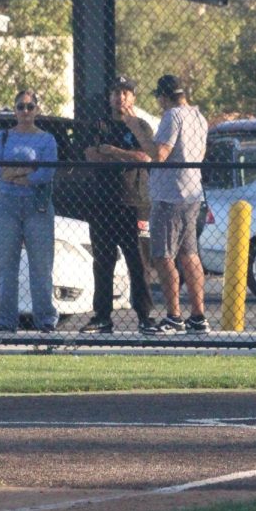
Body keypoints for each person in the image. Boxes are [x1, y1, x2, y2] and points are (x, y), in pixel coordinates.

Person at [131, 74, 210, 334]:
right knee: (190, 255)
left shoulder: (172, 116)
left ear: (164, 97)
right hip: (192, 193)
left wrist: (136, 129)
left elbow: (159, 155)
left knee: (163, 256)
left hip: (170, 196)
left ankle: (174, 316)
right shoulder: (199, 117)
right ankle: (198, 317)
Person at [79, 77, 159, 335]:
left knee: (138, 262)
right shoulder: (98, 125)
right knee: (103, 262)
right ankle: (102, 317)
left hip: (134, 204)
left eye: (125, 93)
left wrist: (112, 151)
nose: (120, 97)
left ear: (133, 97)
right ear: (109, 97)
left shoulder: (141, 126)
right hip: (102, 203)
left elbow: (145, 157)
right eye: (116, 92)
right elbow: (91, 155)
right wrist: (123, 155)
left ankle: (145, 317)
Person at [0, 89, 59, 333]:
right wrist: (26, 171)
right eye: (21, 107)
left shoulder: (46, 139)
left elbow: (46, 173)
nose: (25, 111)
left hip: (36, 206)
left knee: (41, 267)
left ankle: (45, 320)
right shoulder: (3, 137)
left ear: (37, 110)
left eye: (30, 107)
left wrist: (16, 174)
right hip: (6, 204)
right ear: (14, 110)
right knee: (6, 267)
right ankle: (6, 321)